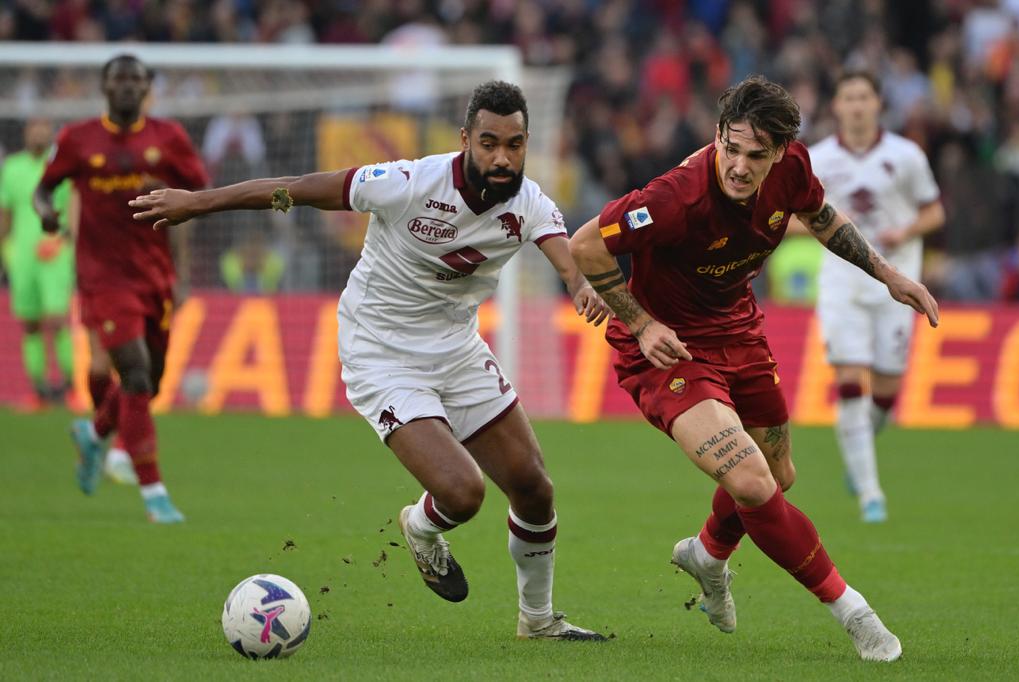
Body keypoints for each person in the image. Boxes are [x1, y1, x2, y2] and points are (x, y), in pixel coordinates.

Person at [130, 81, 610, 641]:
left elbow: (566, 256)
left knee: (534, 487)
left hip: (455, 347)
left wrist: (580, 287)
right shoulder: (407, 183)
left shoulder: (529, 204)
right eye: (489, 143)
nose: (502, 158)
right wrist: (197, 202)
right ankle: (422, 529)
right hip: (380, 351)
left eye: (515, 144)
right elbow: (296, 188)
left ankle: (539, 621)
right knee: (463, 493)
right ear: (465, 141)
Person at [569, 75, 939, 662]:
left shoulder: (794, 166)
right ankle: (855, 614)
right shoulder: (675, 197)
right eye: (731, 148)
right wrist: (638, 320)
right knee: (749, 481)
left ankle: (709, 554)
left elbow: (822, 220)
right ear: (717, 135)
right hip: (668, 350)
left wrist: (890, 275)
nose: (739, 165)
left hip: (739, 332)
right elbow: (586, 244)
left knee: (778, 473)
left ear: (780, 152)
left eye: (755, 155)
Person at [35, 54, 209, 523]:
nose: (128, 87)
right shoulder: (77, 139)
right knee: (133, 373)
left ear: (147, 86)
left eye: (136, 80)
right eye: (119, 80)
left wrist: (176, 204)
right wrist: (46, 213)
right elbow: (43, 188)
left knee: (148, 382)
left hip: (154, 275)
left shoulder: (168, 138)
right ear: (105, 87)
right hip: (102, 276)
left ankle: (93, 435)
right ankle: (154, 493)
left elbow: (202, 192)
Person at [807, 71, 944, 522]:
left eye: (865, 96)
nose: (857, 105)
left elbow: (934, 211)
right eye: (849, 97)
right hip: (842, 282)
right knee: (848, 381)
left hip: (897, 282)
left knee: (886, 390)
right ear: (837, 106)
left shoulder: (905, 155)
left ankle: (859, 446)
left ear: (878, 103)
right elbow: (796, 216)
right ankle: (871, 492)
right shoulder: (819, 159)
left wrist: (904, 230)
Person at [0, 119, 75, 411]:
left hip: (55, 251)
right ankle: (40, 391)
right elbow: (5, 213)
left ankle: (70, 387)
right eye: (34, 129)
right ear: (26, 134)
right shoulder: (12, 168)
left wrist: (64, 238)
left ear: (51, 134)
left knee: (57, 320)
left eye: (44, 129)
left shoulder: (62, 166)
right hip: (22, 255)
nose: (39, 133)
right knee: (30, 324)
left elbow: (72, 206)